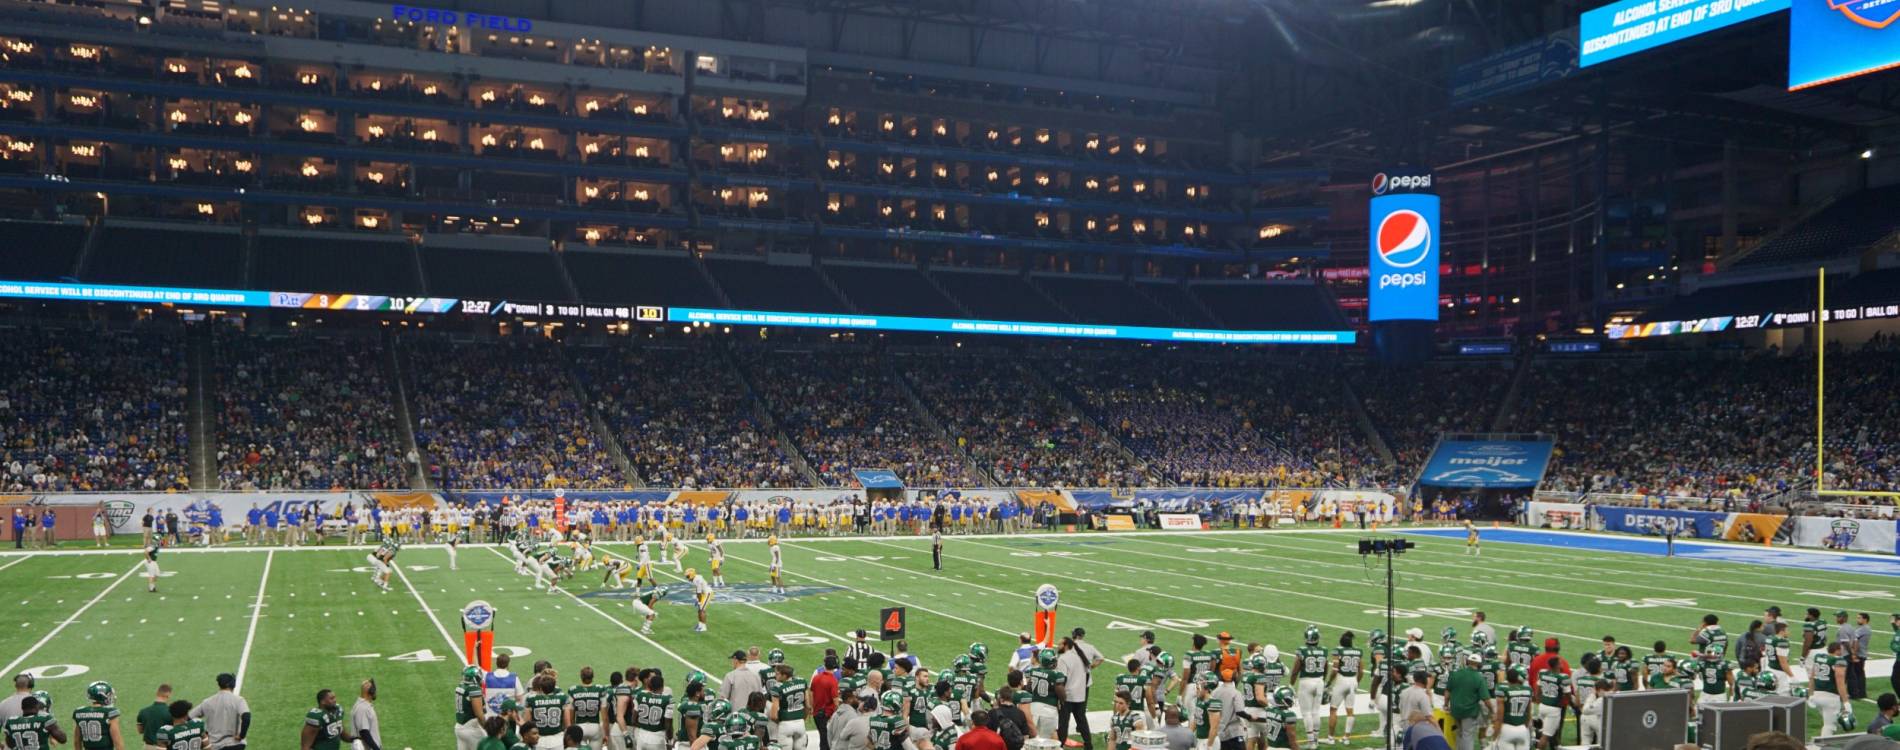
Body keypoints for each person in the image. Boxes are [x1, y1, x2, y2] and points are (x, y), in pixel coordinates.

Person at [190, 672, 251, 750]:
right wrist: (241, 735)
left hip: (215, 746)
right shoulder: (239, 700)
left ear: (219, 685)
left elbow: (189, 717)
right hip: (235, 744)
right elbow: (246, 717)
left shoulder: (207, 702)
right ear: (233, 685)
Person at [1058, 635, 1098, 750]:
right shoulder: (1080, 657)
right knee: (1082, 721)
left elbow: (1062, 679)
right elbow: (1087, 674)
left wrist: (1060, 696)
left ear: (1066, 646)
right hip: (1080, 695)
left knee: (1063, 723)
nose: (1058, 646)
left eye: (1060, 644)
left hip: (1068, 696)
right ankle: (1088, 744)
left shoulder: (1063, 659)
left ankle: (1060, 745)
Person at [1445, 653, 1488, 750]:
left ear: (1467, 662)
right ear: (1480, 664)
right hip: (1469, 711)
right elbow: (1485, 698)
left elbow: (1447, 691)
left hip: (1455, 710)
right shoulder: (1479, 677)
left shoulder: (1456, 674)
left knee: (1459, 733)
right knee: (1467, 736)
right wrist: (1492, 711)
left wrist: (1445, 704)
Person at [810, 656, 838, 750]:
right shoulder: (833, 680)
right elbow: (835, 700)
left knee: (823, 737)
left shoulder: (816, 677)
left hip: (816, 713)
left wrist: (812, 707)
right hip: (827, 714)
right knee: (826, 740)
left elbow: (811, 693)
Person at [136, 684, 174, 748]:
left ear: (157, 693)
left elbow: (140, 731)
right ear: (168, 695)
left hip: (149, 747)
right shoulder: (171, 712)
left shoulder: (143, 711)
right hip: (164, 747)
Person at [350, 680, 381, 750]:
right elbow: (364, 732)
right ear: (370, 692)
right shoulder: (362, 708)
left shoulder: (363, 705)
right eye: (374, 690)